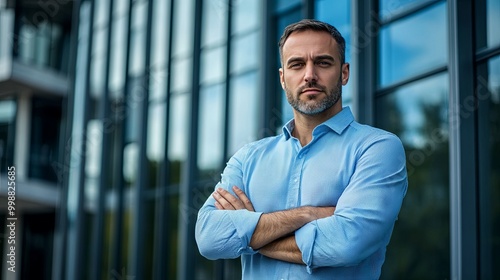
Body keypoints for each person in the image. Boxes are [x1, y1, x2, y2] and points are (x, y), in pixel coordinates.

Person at [195, 19, 408, 279]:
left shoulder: (377, 148)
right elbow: (209, 237)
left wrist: (249, 230)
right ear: (283, 78)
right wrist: (309, 214)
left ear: (344, 73)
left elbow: (347, 243)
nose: (309, 75)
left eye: (323, 62)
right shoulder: (249, 158)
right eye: (297, 64)